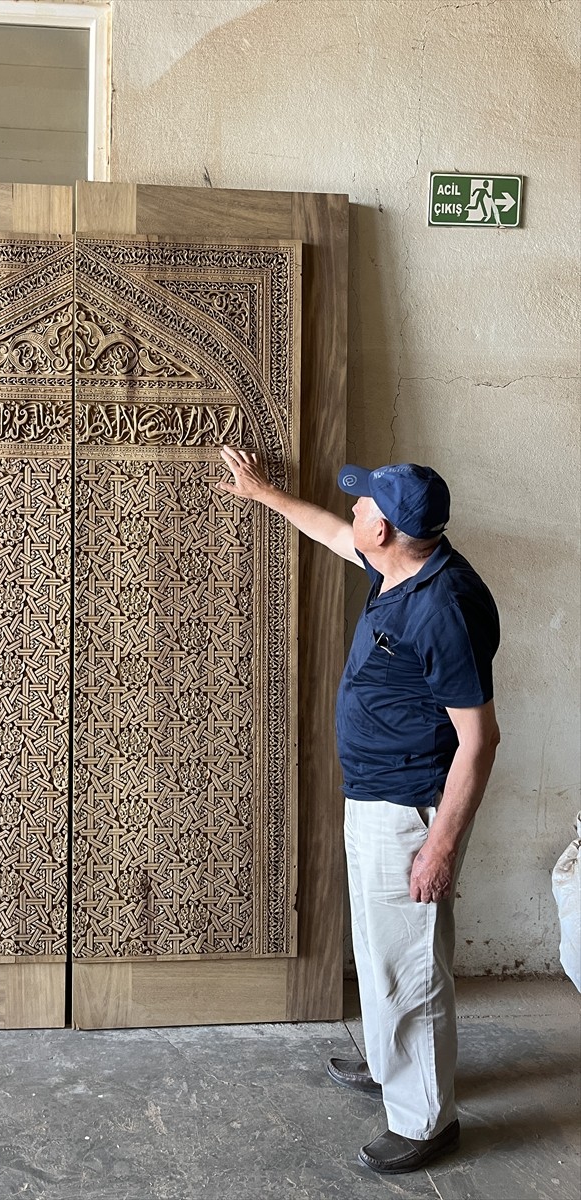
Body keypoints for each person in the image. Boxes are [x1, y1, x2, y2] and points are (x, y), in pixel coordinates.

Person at [218, 448, 501, 1174]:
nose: (355, 508)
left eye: (366, 504)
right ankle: (386, 1060)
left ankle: (424, 1118)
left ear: (389, 532)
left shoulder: (441, 609)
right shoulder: (402, 560)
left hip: (411, 806)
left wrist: (438, 848)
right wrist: (264, 494)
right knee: (381, 949)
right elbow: (328, 530)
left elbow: (479, 740)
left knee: (410, 964)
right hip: (375, 791)